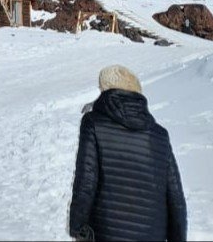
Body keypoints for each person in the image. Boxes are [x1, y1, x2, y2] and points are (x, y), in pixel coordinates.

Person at [69, 65, 187, 242]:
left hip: (105, 233)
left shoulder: (93, 123)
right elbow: (175, 196)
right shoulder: (159, 135)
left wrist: (77, 227)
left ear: (106, 89)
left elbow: (86, 180)